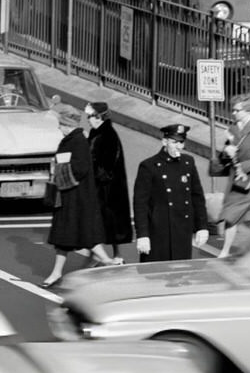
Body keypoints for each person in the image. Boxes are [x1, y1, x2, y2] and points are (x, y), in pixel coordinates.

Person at [42, 116, 115, 287]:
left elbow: (80, 168)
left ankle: (105, 261)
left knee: (70, 234)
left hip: (74, 197)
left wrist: (58, 169)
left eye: (61, 125)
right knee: (75, 234)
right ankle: (104, 260)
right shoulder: (74, 140)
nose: (60, 128)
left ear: (68, 125)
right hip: (71, 196)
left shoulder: (77, 141)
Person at [132, 122, 209, 262]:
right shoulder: (149, 166)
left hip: (182, 231)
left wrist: (202, 227)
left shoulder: (188, 162)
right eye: (174, 142)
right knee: (155, 276)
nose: (179, 146)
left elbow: (197, 197)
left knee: (181, 275)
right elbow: (140, 204)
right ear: (165, 141)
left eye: (182, 142)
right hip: (159, 233)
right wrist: (142, 235)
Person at [212, 94, 250, 258]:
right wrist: (227, 151)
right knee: (249, 219)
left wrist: (243, 167)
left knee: (231, 214)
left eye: (236, 110)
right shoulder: (233, 129)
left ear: (247, 110)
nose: (233, 113)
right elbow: (225, 154)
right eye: (232, 109)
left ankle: (224, 252)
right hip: (236, 179)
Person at [85, 103, 132, 261]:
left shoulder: (109, 135)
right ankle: (99, 256)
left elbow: (108, 163)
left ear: (99, 117)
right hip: (100, 186)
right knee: (100, 224)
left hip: (108, 188)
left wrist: (96, 175)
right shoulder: (95, 132)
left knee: (109, 223)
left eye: (90, 116)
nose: (88, 119)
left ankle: (114, 256)